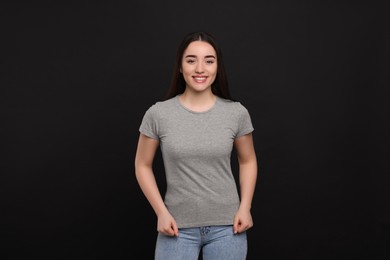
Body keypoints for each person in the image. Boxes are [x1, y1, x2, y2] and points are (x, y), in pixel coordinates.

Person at [134, 31, 258, 260]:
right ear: (180, 67)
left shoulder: (236, 113)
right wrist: (160, 212)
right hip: (176, 228)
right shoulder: (158, 114)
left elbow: (247, 160)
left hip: (228, 227)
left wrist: (245, 207)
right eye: (191, 60)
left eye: (209, 61)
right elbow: (142, 165)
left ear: (217, 67)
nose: (200, 68)